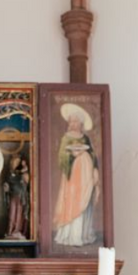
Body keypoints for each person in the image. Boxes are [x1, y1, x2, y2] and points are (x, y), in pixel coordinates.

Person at [52, 103, 100, 246]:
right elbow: (61, 158)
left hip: (86, 178)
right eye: (71, 121)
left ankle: (83, 234)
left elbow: (93, 155)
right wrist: (73, 155)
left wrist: (95, 169)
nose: (72, 124)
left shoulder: (85, 138)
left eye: (75, 122)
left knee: (86, 202)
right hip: (72, 177)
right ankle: (72, 236)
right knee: (74, 203)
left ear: (81, 124)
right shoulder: (66, 138)